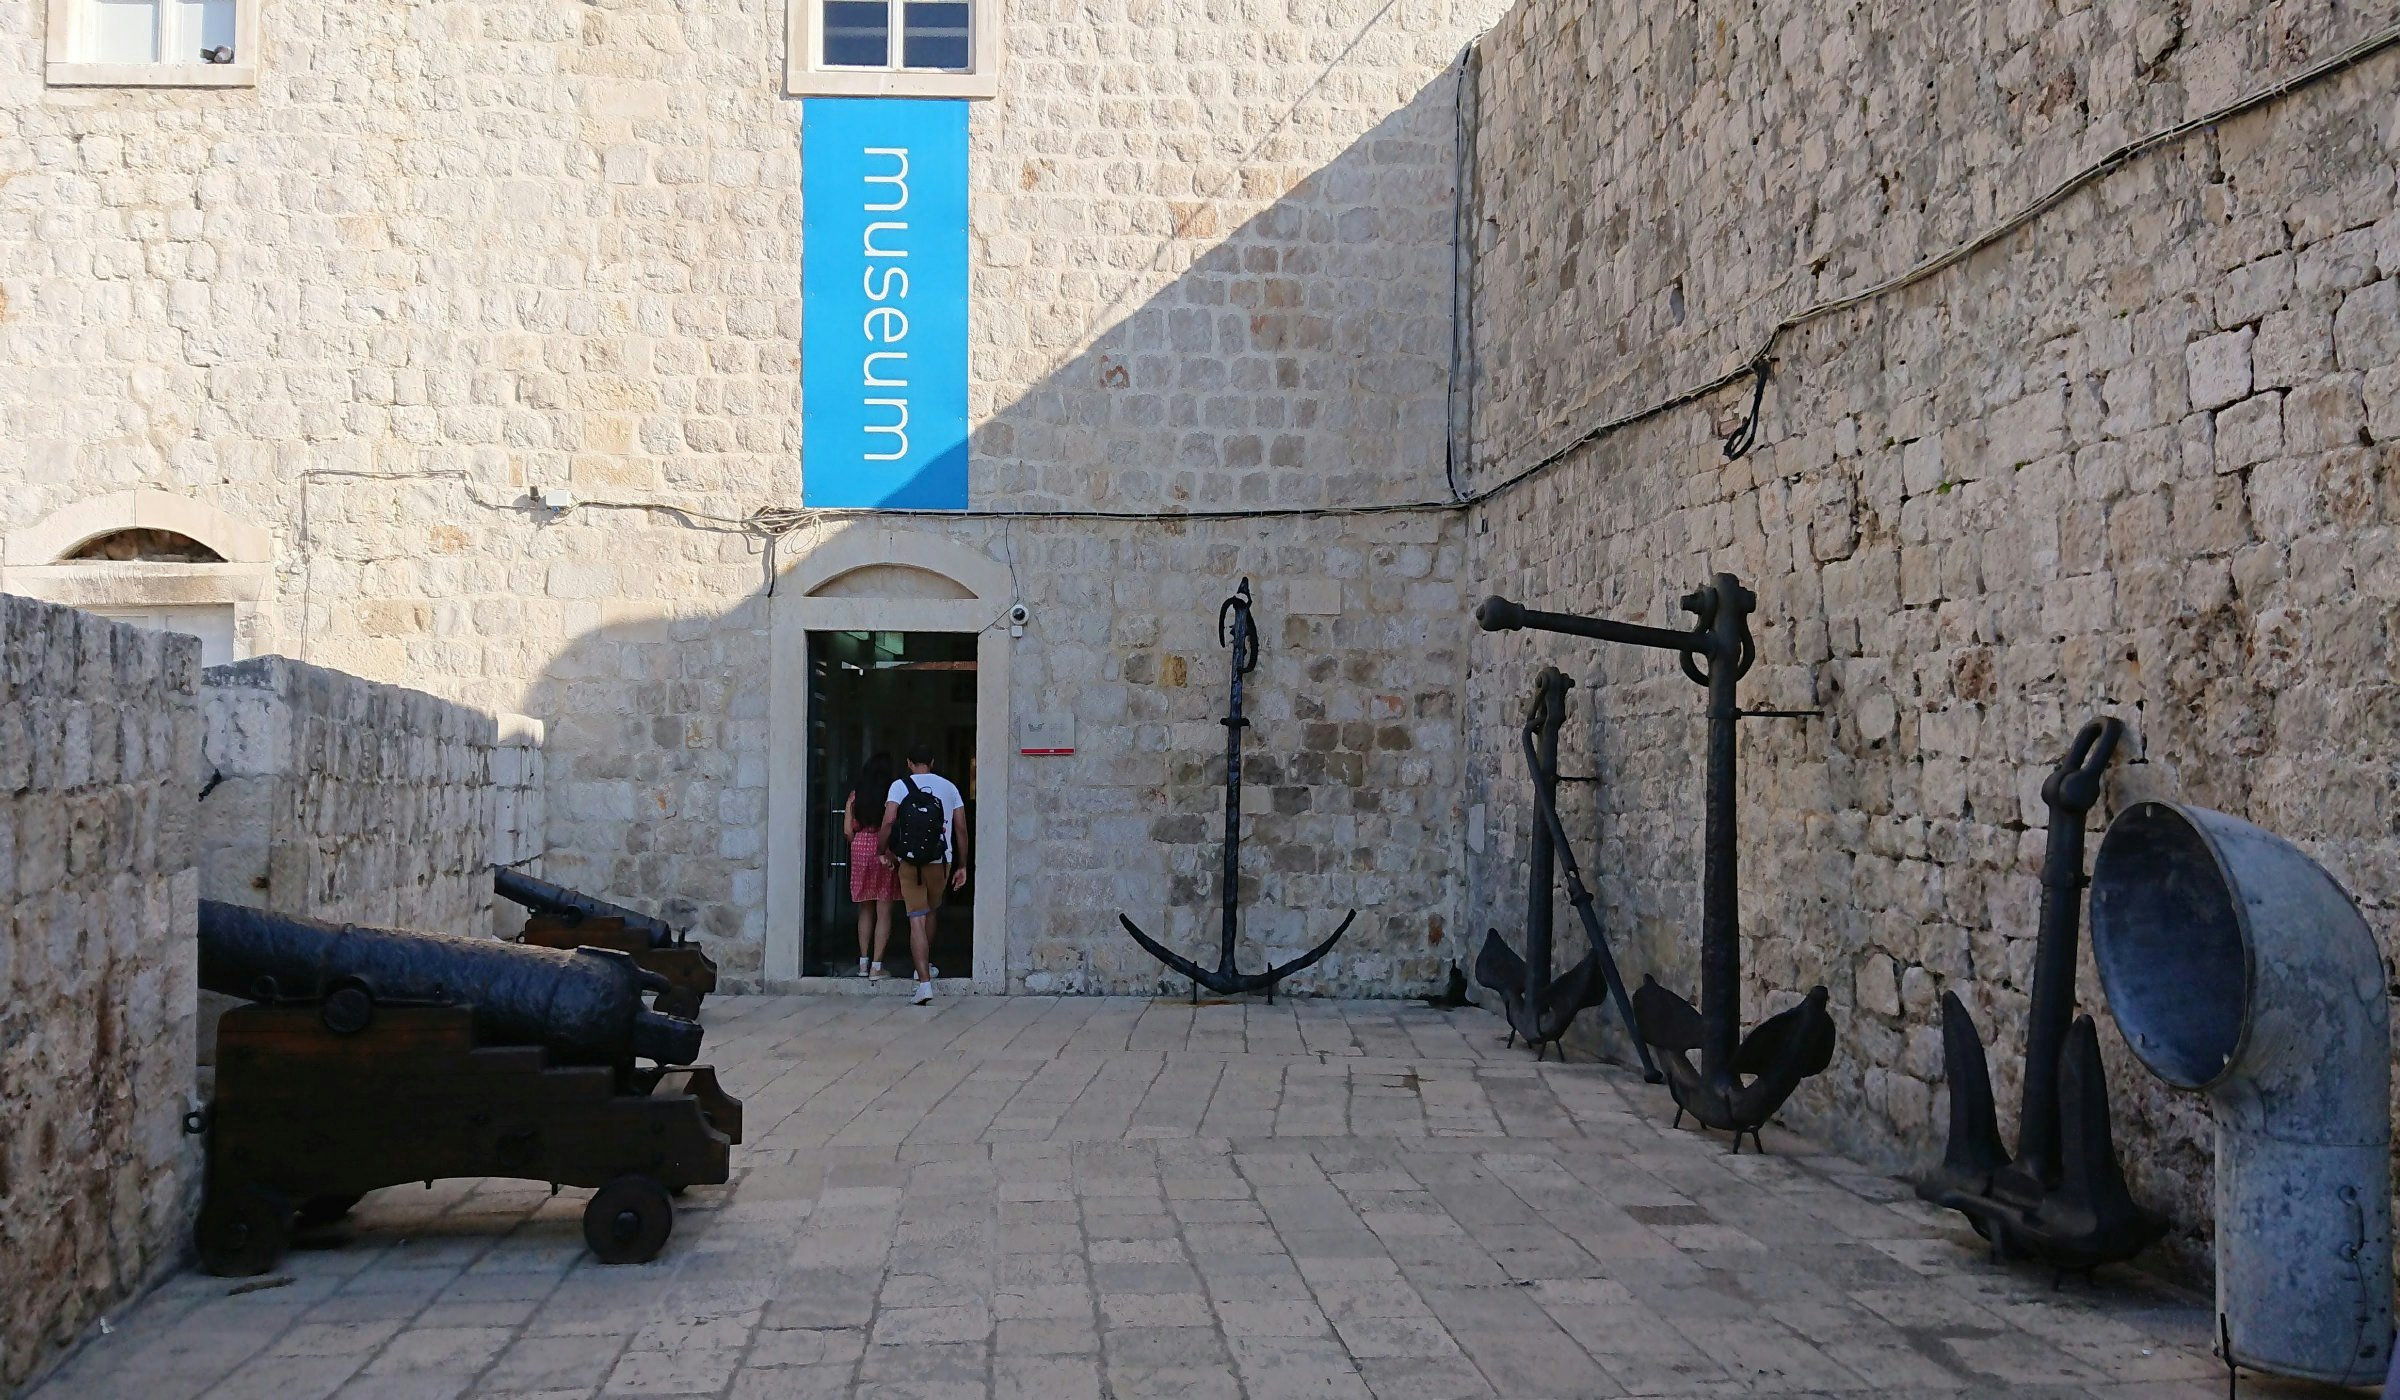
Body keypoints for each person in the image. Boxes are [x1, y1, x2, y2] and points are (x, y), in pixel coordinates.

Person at [881, 743, 968, 1005]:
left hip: (909, 861)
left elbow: (888, 821)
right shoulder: (949, 787)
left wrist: (882, 850)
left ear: (908, 763)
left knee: (915, 918)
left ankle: (924, 983)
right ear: (932, 761)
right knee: (930, 911)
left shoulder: (899, 786)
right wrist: (962, 864)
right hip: (940, 860)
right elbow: (961, 829)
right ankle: (926, 965)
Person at [843, 751, 900, 979]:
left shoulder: (855, 796)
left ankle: (863, 963)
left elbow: (847, 830)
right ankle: (877, 965)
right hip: (883, 849)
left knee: (865, 907)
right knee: (884, 909)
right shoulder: (891, 795)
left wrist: (858, 840)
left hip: (860, 847)